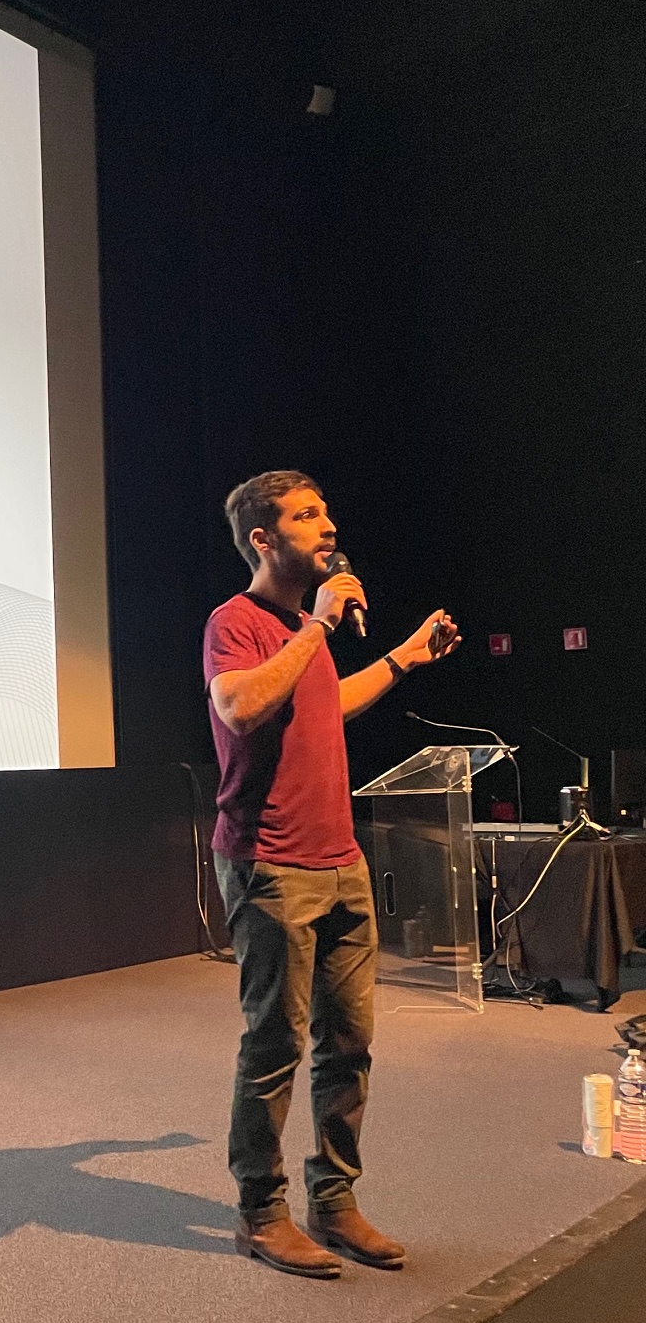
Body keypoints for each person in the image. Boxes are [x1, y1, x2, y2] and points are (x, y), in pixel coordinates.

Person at [205, 471, 460, 1279]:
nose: (328, 526)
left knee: (349, 1043)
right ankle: (261, 1213)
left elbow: (326, 704)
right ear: (262, 539)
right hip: (270, 862)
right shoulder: (236, 621)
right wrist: (315, 626)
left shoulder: (299, 633)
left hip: (341, 860)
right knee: (275, 1043)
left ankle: (334, 1199)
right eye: (306, 516)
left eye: (326, 513)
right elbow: (240, 707)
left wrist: (403, 658)